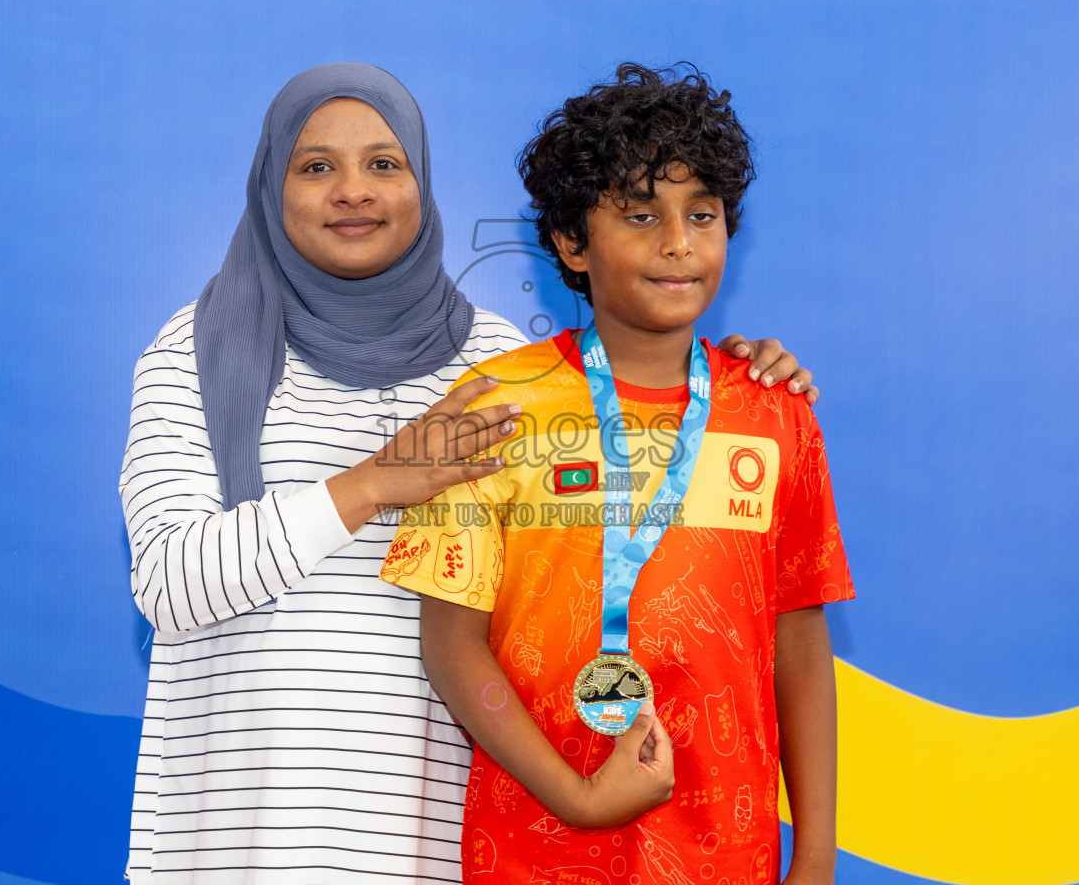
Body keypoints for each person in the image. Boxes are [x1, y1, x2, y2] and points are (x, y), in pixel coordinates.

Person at [121, 62, 822, 883]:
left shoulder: (496, 367)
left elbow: (640, 420)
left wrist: (749, 375)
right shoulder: (195, 354)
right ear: (269, 188)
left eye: (385, 163)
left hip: (431, 846)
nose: (355, 190)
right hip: (243, 836)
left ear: (423, 181)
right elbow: (169, 582)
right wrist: (374, 481)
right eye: (317, 167)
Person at [381, 63, 853, 884]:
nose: (678, 242)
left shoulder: (775, 413)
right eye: (641, 216)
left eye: (701, 214)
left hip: (726, 855)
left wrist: (814, 856)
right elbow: (451, 646)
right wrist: (576, 798)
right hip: (535, 846)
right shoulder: (496, 407)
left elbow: (800, 643)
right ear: (570, 242)